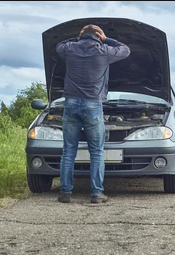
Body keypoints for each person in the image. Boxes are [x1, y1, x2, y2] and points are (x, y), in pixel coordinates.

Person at [56, 24, 130, 203]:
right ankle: (96, 193)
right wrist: (106, 39)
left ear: (82, 35)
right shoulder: (104, 51)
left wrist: (77, 38)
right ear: (98, 36)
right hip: (93, 105)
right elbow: (125, 50)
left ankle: (65, 192)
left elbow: (59, 46)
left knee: (68, 151)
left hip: (71, 103)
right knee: (96, 151)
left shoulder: (69, 48)